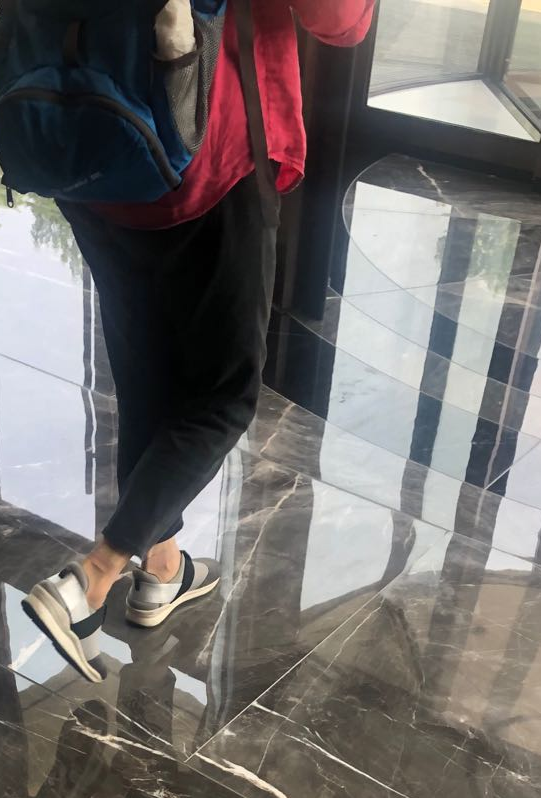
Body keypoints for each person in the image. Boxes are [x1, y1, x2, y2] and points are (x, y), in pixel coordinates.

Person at [23, 0, 375, 682]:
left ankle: (161, 569)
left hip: (83, 128)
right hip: (206, 151)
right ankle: (91, 579)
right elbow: (337, 18)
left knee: (146, 375)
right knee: (223, 396)